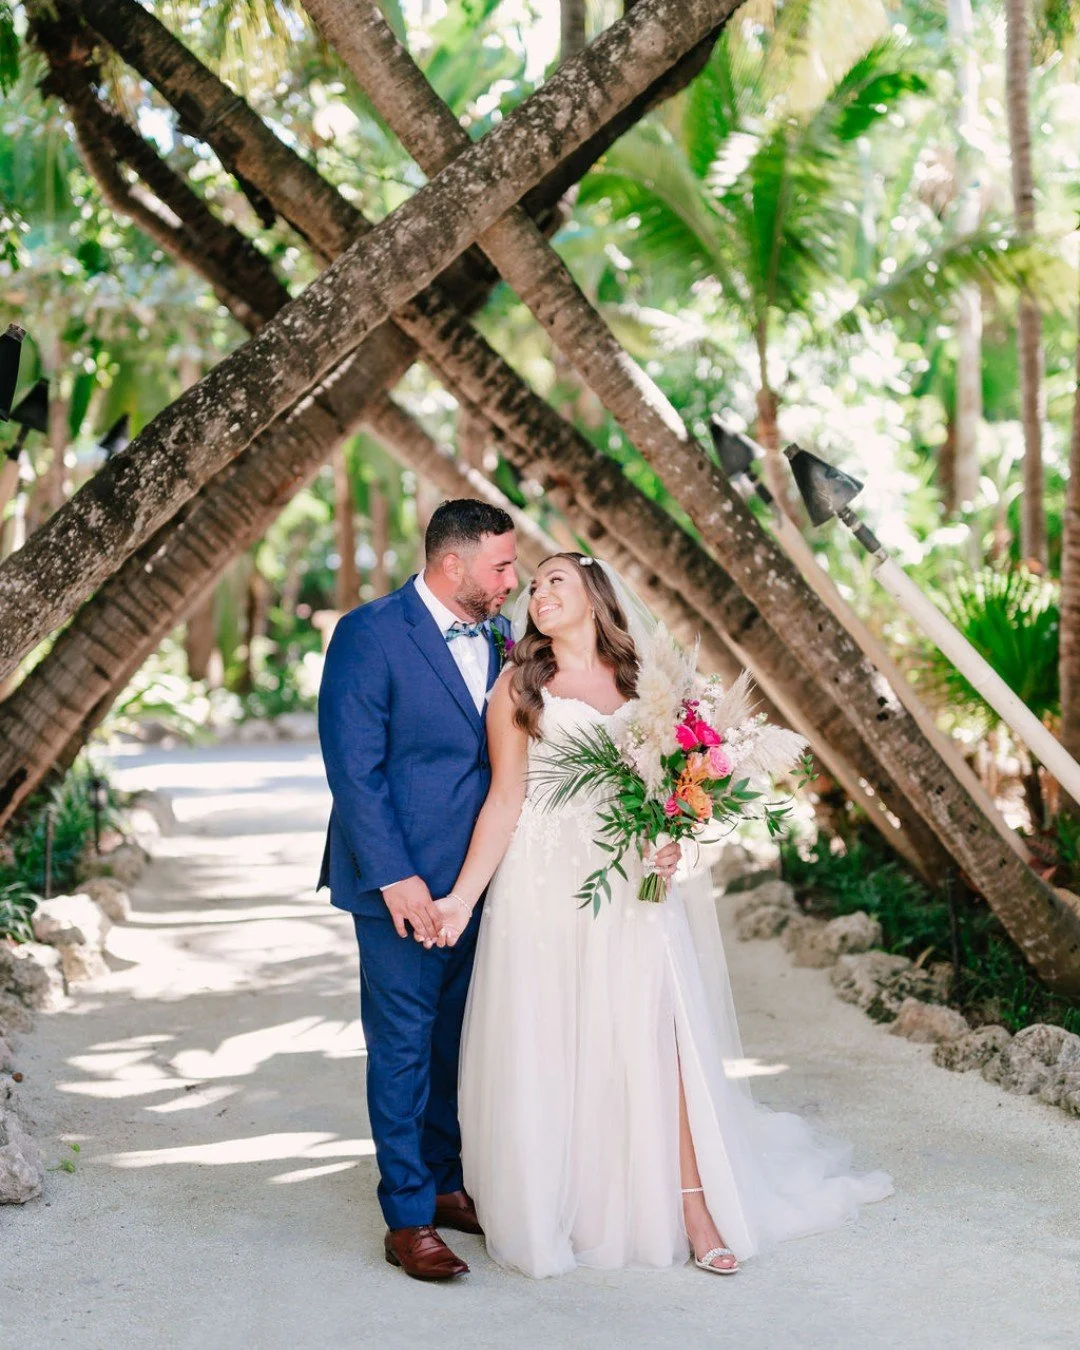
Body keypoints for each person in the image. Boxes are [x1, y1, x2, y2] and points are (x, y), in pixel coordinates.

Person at [434, 552, 893, 1279]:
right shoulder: (518, 686)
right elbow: (504, 799)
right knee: (556, 1031)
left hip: (631, 883)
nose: (538, 592)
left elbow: (681, 785)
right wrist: (462, 896)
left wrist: (671, 837)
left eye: (555, 579)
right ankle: (571, 1197)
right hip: (545, 882)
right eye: (533, 585)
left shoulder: (650, 687)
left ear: (594, 594)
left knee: (659, 1034)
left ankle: (692, 1203)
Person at [317, 499, 571, 1281]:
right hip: (399, 884)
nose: (512, 581)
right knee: (401, 1047)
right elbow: (353, 769)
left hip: (485, 880)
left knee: (460, 1040)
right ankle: (408, 1217)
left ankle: (447, 1181)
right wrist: (397, 879)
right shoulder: (368, 634)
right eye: (500, 566)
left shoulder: (502, 635)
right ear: (452, 563)